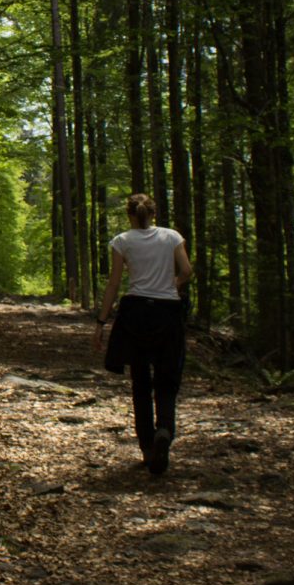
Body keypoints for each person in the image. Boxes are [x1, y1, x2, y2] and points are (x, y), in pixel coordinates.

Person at [92, 192, 192, 475]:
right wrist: (171, 283)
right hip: (168, 312)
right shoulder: (172, 237)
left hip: (135, 312)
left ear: (130, 216)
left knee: (140, 381)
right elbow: (187, 270)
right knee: (167, 377)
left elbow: (113, 284)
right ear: (153, 214)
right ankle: (165, 430)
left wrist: (101, 322)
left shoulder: (122, 241)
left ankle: (148, 447)